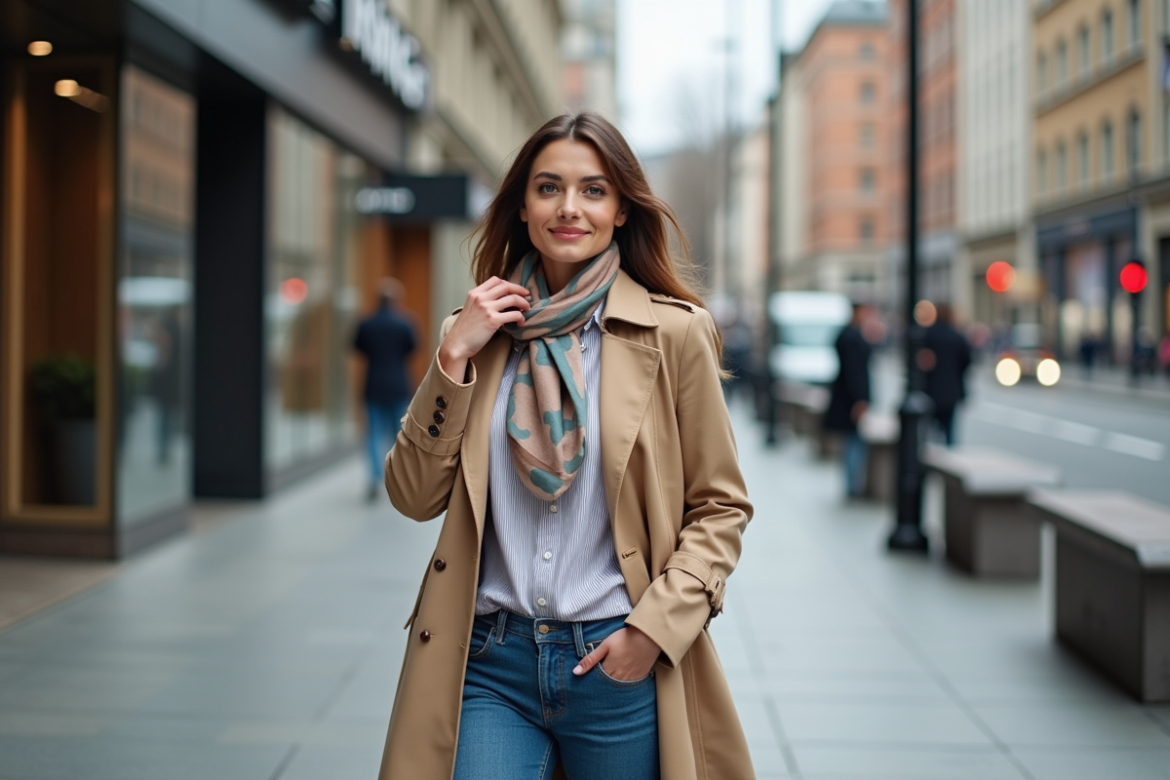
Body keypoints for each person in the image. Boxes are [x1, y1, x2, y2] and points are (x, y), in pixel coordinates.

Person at [378, 113, 755, 780]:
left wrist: (651, 632)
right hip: (491, 660)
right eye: (549, 188)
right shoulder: (475, 336)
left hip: (615, 658)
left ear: (620, 210)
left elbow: (720, 507)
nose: (569, 208)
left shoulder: (673, 334)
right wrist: (452, 359)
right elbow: (412, 496)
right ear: (522, 207)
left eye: (594, 190)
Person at [353, 278, 417, 501]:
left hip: (373, 385)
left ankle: (374, 478)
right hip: (398, 384)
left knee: (372, 434)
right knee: (398, 434)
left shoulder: (366, 323)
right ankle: (397, 479)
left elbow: (357, 347)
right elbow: (413, 348)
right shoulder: (405, 322)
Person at [823, 303, 872, 499]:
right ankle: (853, 487)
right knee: (854, 442)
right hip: (850, 399)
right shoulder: (852, 338)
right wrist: (859, 400)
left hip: (846, 398)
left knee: (852, 442)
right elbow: (855, 372)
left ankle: (853, 485)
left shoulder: (847, 335)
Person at [921, 303, 972, 446]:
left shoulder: (928, 335)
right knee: (950, 432)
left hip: (930, 389)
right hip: (951, 390)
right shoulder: (957, 337)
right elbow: (967, 361)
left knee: (927, 431)